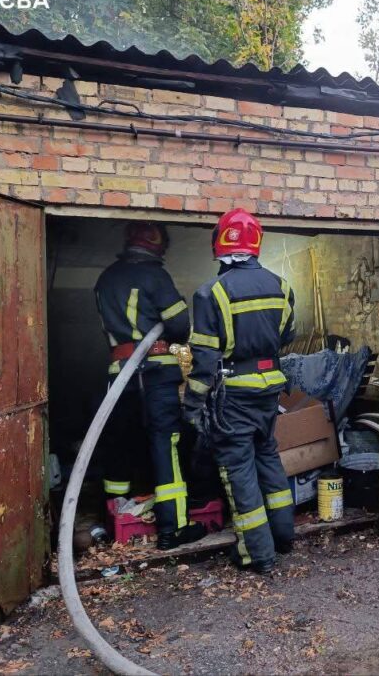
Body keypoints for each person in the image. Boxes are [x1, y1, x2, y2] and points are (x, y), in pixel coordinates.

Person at [183, 209, 296, 574]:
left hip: (233, 395)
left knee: (239, 469)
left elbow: (204, 359)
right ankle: (284, 536)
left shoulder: (211, 292)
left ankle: (257, 554)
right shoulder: (282, 286)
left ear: (220, 243)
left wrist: (192, 404)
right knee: (268, 457)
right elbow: (287, 335)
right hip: (269, 388)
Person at [94, 221, 206, 550]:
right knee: (166, 442)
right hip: (155, 372)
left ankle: (114, 519)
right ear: (159, 245)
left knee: (120, 441)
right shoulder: (155, 275)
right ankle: (174, 527)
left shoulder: (105, 278)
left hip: (119, 373)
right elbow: (180, 326)